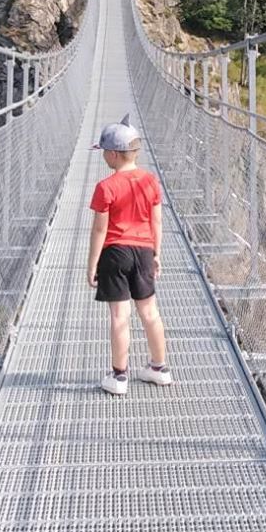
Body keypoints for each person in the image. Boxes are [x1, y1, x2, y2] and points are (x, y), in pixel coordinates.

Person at [86, 116, 172, 395]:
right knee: (150, 312)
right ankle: (159, 369)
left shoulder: (105, 187)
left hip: (115, 253)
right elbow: (156, 222)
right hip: (145, 251)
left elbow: (100, 229)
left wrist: (92, 264)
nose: (103, 158)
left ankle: (120, 376)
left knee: (119, 316)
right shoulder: (151, 181)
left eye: (103, 152)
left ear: (113, 154)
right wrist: (156, 254)